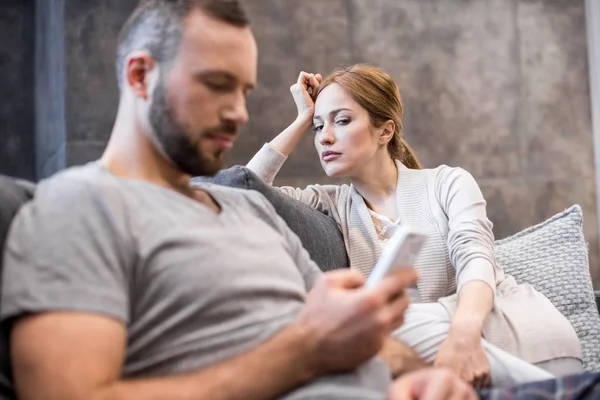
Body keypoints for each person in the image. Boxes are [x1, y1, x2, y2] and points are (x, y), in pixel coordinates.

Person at [0, 1, 477, 399]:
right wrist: (305, 350)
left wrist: (416, 374)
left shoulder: (249, 212)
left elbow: (349, 336)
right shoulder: (77, 206)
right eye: (216, 84)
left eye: (244, 91)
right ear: (141, 75)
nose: (239, 113)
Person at [246, 65, 584, 387]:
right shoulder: (332, 203)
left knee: (366, 331)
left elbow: (476, 259)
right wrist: (303, 118)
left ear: (385, 130)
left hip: (516, 335)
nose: (325, 138)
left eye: (343, 120)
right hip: (432, 356)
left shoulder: (448, 183)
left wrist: (462, 338)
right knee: (367, 333)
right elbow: (243, 190)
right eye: (319, 127)